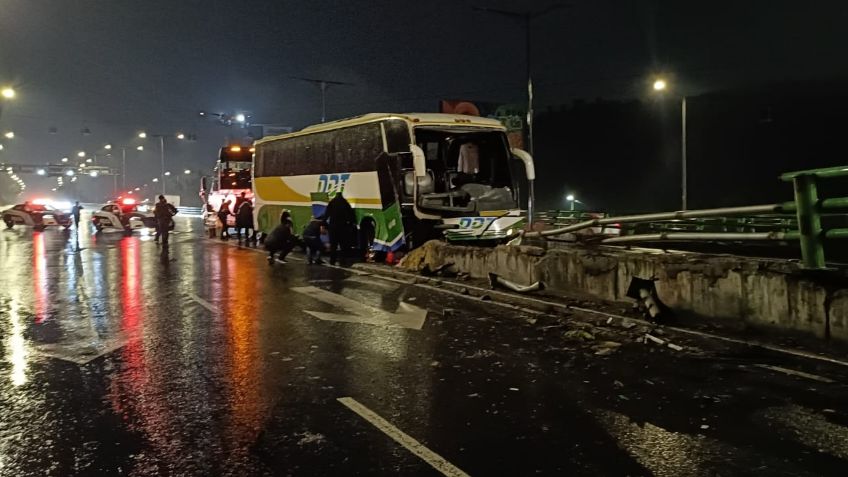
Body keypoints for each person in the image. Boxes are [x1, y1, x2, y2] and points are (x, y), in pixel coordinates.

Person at [323, 191, 356, 265]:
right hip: (343, 227)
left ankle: (332, 261)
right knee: (343, 245)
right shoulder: (345, 203)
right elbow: (350, 215)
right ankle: (342, 261)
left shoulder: (332, 202)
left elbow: (326, 214)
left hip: (333, 227)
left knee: (333, 245)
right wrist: (351, 224)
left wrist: (325, 225)